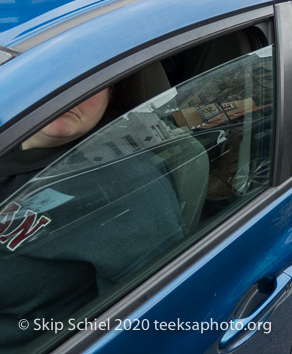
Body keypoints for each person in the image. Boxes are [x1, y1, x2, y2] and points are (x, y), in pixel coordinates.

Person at [0, 87, 185, 348]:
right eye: (54, 75)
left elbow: (146, 327)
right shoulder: (9, 132)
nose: (65, 92)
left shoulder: (127, 187)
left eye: (83, 82)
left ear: (113, 90)